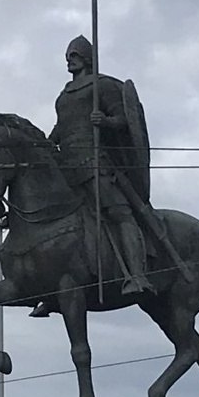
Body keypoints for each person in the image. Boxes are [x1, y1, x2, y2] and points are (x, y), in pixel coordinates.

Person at [47, 34, 154, 298]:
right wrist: (46, 144)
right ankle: (52, 286)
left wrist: (105, 121)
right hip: (67, 166)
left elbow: (124, 120)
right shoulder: (64, 95)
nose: (70, 61)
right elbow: (62, 128)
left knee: (120, 215)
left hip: (96, 163)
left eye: (74, 55)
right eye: (68, 56)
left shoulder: (102, 86)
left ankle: (137, 275)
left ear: (86, 58)